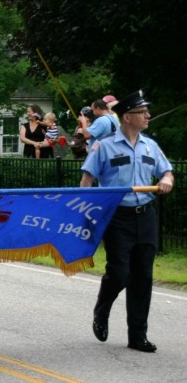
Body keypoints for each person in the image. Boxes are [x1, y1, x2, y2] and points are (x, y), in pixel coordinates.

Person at [80, 90, 174, 353]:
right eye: (143, 112)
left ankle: (138, 336)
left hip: (145, 216)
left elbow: (165, 170)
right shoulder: (104, 145)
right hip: (116, 216)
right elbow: (87, 180)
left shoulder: (150, 146)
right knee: (120, 272)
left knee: (143, 276)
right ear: (128, 117)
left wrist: (166, 180)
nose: (148, 116)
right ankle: (103, 308)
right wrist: (88, 212)